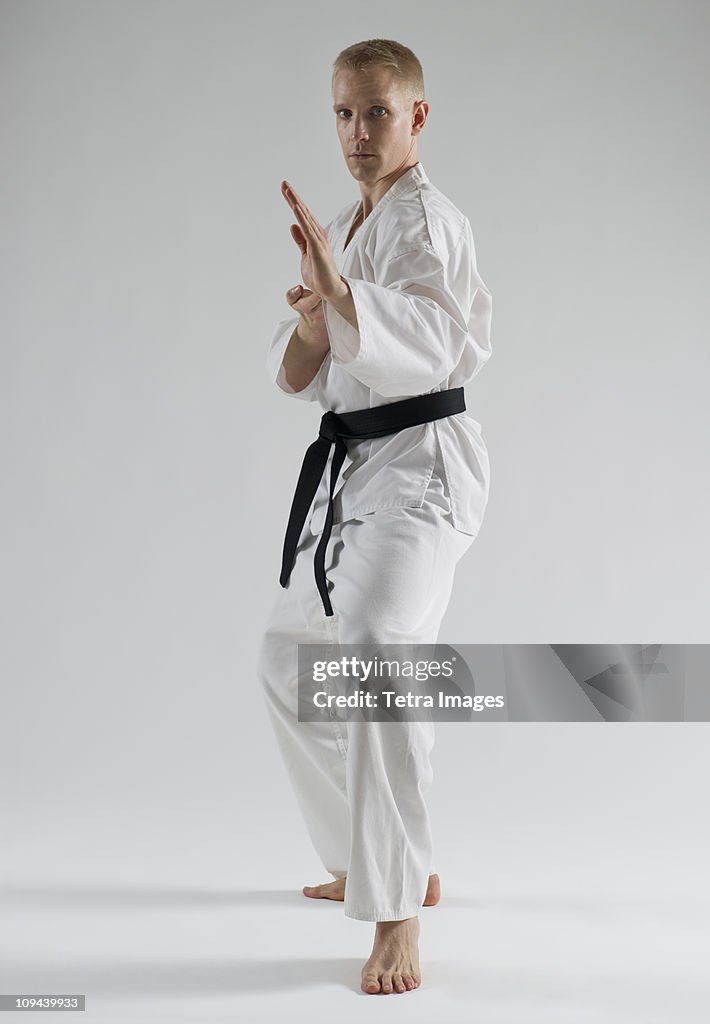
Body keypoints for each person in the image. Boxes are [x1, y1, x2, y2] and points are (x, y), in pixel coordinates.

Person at [257, 38, 492, 995]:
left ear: (418, 118)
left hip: (423, 468)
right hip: (358, 469)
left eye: (378, 114)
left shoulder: (427, 224)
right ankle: (373, 855)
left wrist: (344, 294)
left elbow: (435, 343)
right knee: (287, 659)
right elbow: (297, 372)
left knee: (378, 650)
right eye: (345, 114)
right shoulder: (356, 223)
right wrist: (320, 312)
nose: (358, 133)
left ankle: (398, 915)